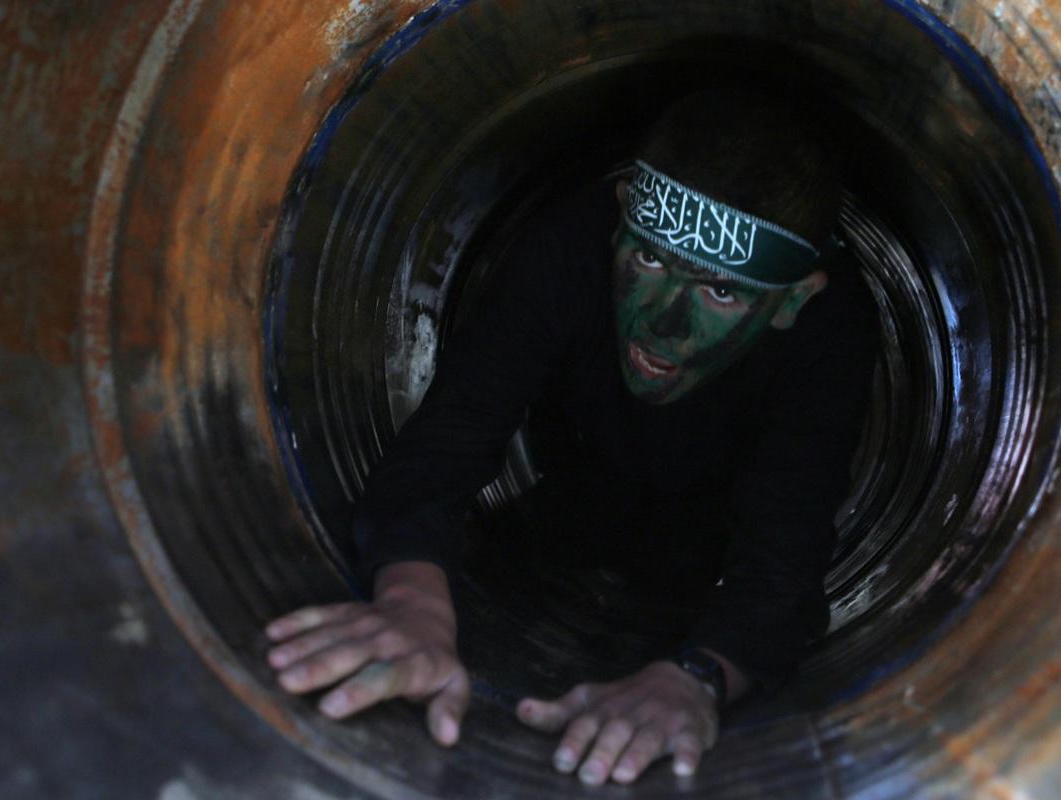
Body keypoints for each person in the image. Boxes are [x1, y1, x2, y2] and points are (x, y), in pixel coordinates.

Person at [263, 90, 878, 785]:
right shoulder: (573, 243)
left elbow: (784, 553)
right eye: (647, 262)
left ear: (793, 299)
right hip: (574, 489)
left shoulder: (831, 331)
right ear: (620, 220)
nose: (661, 325)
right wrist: (411, 604)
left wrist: (696, 679)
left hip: (712, 536)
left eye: (721, 294)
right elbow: (455, 430)